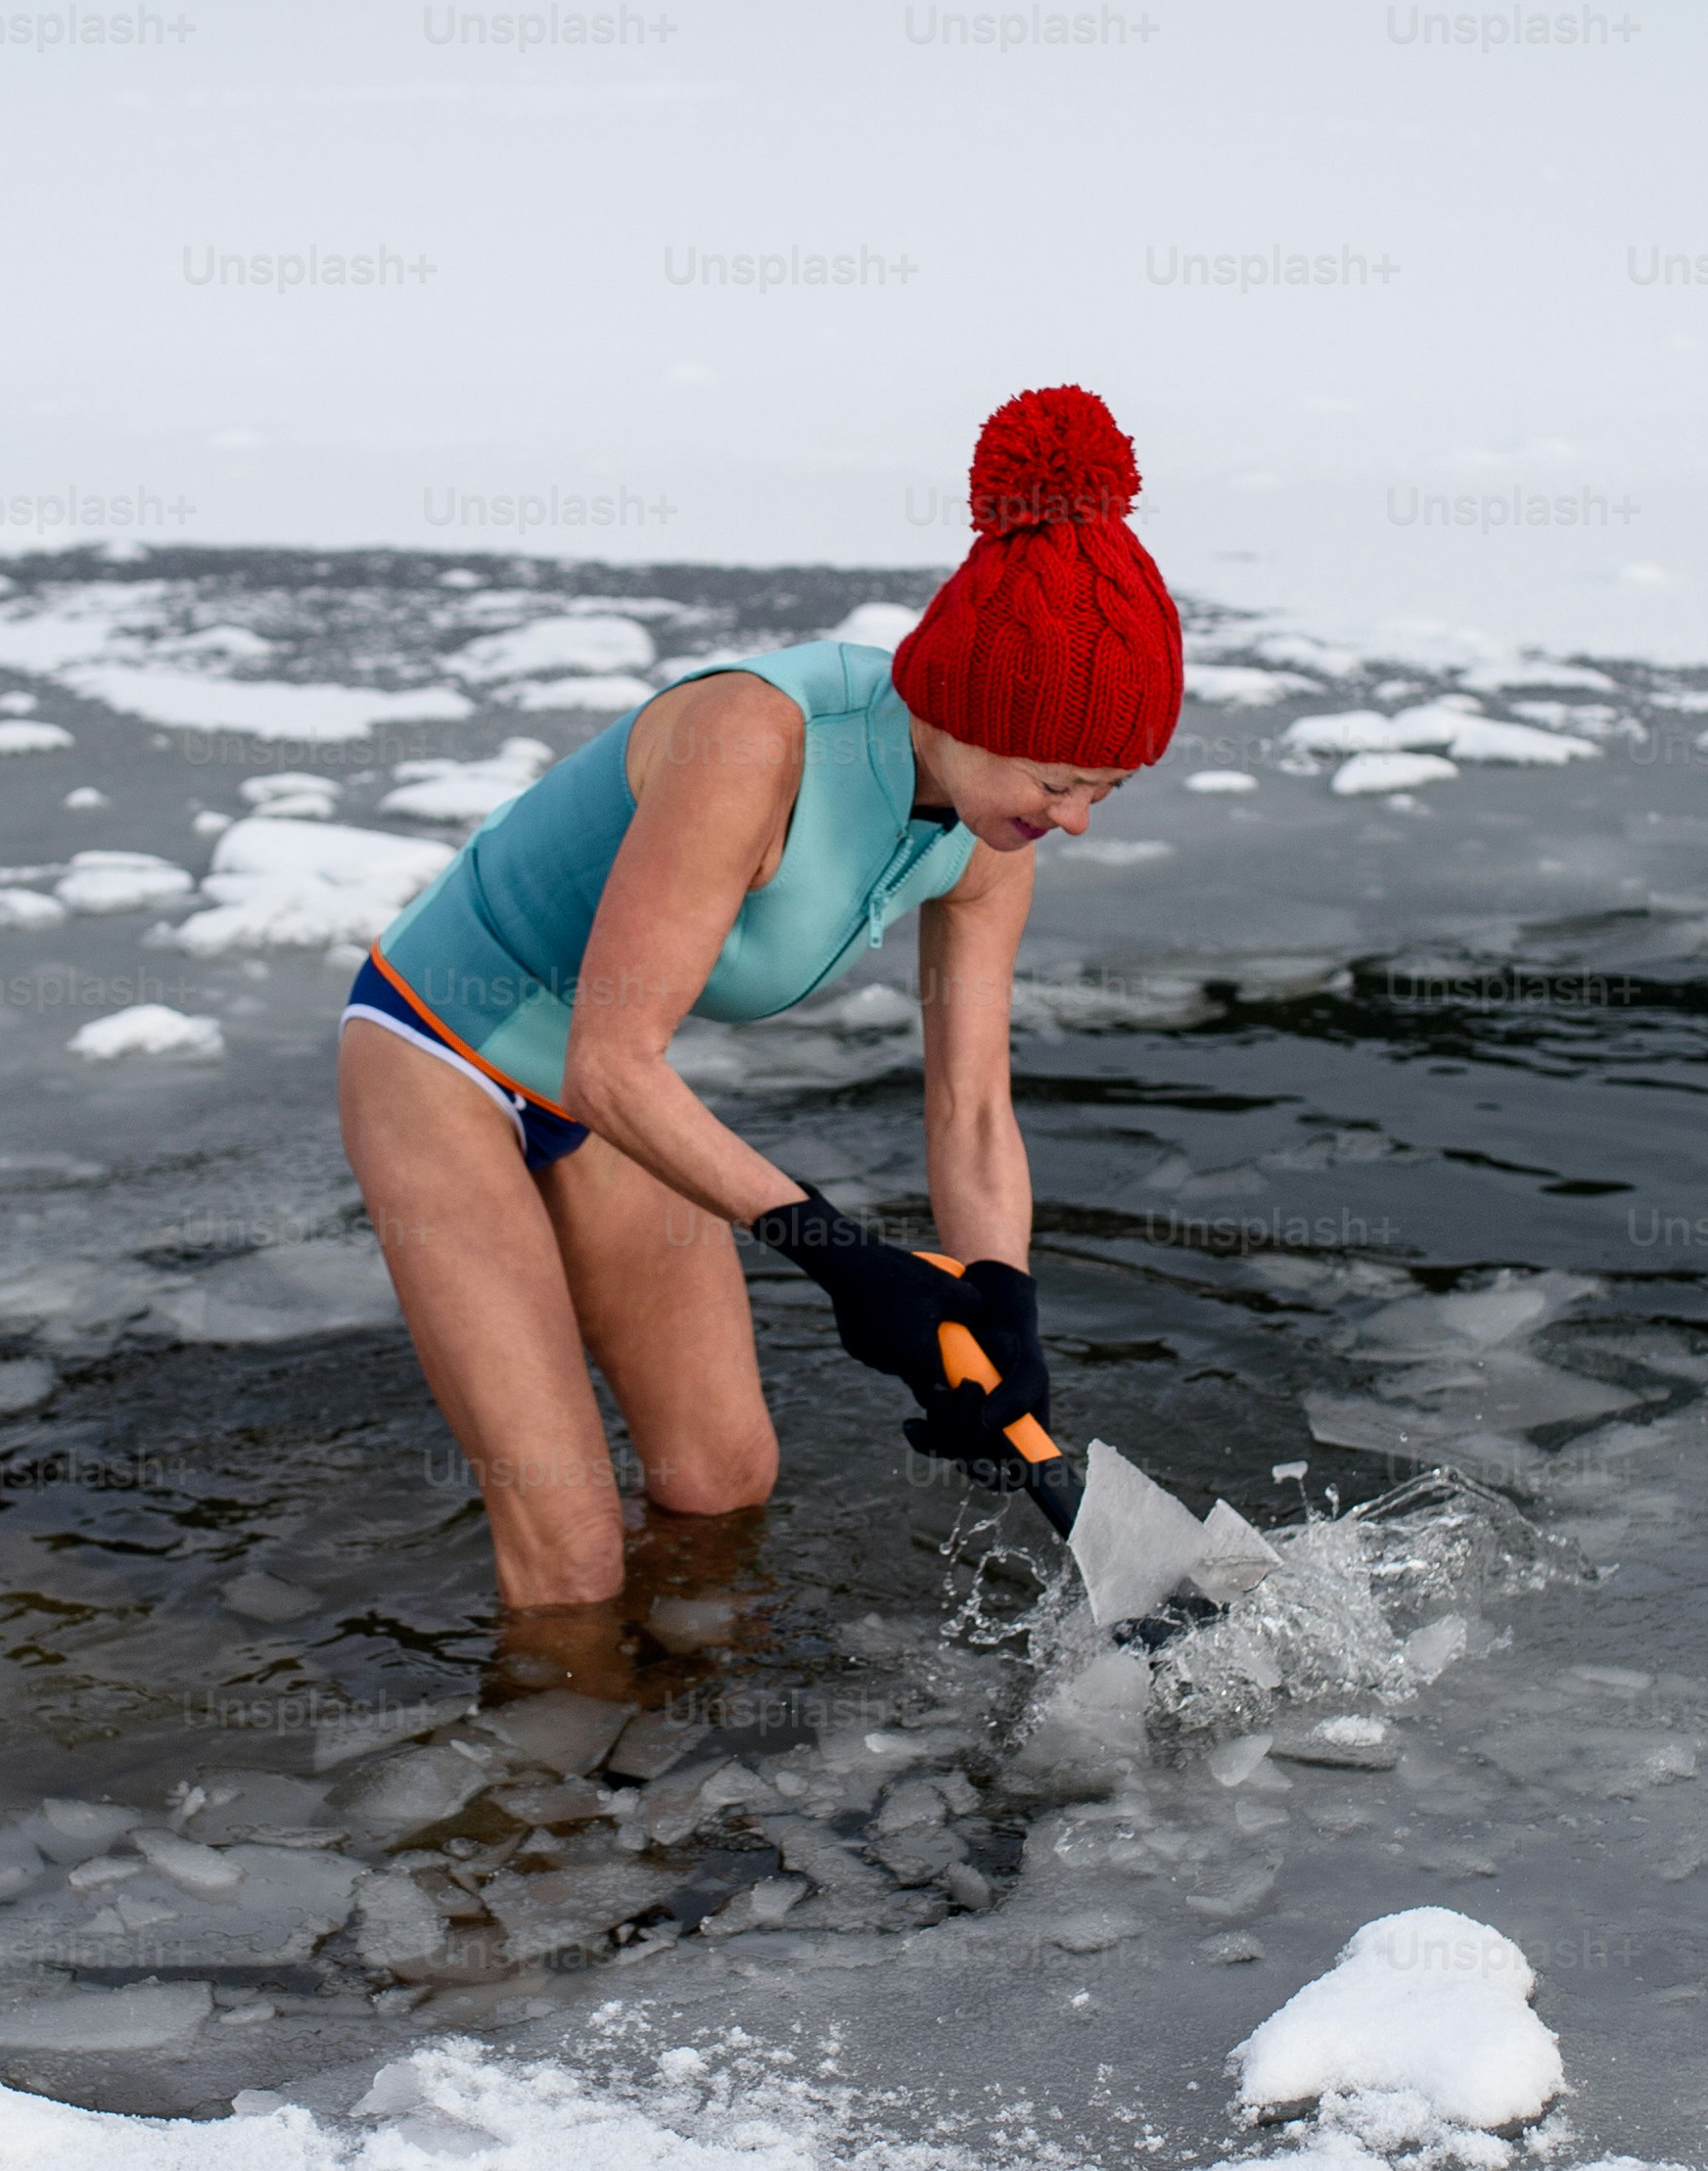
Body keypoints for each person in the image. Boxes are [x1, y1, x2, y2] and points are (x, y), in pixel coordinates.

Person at [343, 384, 1182, 1633]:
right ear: (965, 709)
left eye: (1103, 791)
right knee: (570, 1555)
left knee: (721, 1480)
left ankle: (674, 1777)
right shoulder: (756, 742)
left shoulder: (993, 831)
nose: (1072, 819)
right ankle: (542, 1808)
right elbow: (614, 1059)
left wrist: (999, 1299)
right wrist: (845, 1258)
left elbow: (968, 1108)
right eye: (1059, 780)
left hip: (594, 1095)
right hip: (444, 1052)